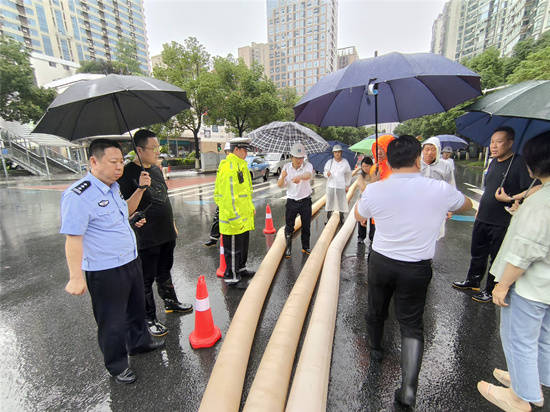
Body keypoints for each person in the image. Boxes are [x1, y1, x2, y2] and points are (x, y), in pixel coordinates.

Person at [355, 135, 473, 408]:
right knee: (411, 324)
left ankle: (375, 350)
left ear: (390, 161)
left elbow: (359, 217)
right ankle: (408, 389)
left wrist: (371, 186)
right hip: (416, 268)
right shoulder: (438, 189)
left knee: (376, 309)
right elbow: (465, 204)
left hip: (382, 261)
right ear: (418, 159)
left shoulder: (376, 189)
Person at [60, 139, 164, 385]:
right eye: (113, 162)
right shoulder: (79, 195)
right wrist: (75, 277)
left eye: (121, 161)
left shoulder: (113, 187)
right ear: (93, 162)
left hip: (130, 260)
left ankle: (140, 343)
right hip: (105, 270)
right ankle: (116, 365)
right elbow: (73, 238)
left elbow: (126, 212)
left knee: (136, 308)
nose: (119, 167)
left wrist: (139, 189)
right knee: (112, 320)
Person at [477, 131, 550, 411]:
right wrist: (520, 209)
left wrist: (502, 284)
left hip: (530, 285)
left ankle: (519, 398)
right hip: (545, 286)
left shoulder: (542, 201)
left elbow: (526, 249)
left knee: (519, 339)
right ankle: (534, 385)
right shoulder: (541, 197)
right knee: (542, 336)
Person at [118, 130, 192, 338]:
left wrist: (173, 223)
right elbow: (125, 209)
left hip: (166, 232)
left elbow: (164, 199)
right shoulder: (126, 174)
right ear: (139, 150)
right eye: (154, 148)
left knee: (165, 271)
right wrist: (139, 188)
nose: (158, 151)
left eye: (158, 147)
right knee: (145, 278)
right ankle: (148, 317)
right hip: (146, 236)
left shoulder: (156, 170)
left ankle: (170, 302)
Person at [452, 126, 534, 303]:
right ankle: (473, 281)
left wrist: (511, 198)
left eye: (499, 142)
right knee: (477, 252)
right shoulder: (493, 162)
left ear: (510, 143)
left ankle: (490, 289)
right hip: (484, 217)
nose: (494, 146)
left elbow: (533, 188)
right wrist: (479, 210)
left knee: (496, 257)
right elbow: (488, 189)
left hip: (502, 220)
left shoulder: (519, 163)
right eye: (492, 142)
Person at [214, 137, 255, 287]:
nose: (246, 153)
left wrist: (250, 208)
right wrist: (234, 217)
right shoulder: (229, 167)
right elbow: (228, 197)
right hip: (233, 218)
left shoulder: (241, 165)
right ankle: (231, 276)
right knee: (233, 249)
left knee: (242, 246)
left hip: (243, 215)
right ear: (236, 149)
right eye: (243, 150)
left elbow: (244, 192)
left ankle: (241, 268)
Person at [277, 142, 313, 258]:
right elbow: (280, 185)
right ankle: (288, 248)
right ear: (291, 157)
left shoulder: (307, 165)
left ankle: (305, 247)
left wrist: (300, 177)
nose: (299, 160)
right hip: (292, 201)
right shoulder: (286, 168)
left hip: (305, 201)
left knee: (306, 225)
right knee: (289, 226)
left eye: (301, 157)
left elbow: (308, 175)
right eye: (296, 157)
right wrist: (282, 177)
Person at [367, 134, 396, 241]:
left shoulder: (398, 168)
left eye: (382, 148)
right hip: (375, 215)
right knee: (373, 241)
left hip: (391, 218)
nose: (379, 152)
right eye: (377, 148)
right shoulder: (374, 168)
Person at [204, 142, 232, 247]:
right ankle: (213, 238)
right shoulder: (223, 164)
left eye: (230, 151)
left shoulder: (238, 165)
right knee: (217, 218)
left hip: (232, 199)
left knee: (230, 221)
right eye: (227, 152)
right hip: (223, 198)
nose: (229, 153)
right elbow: (219, 182)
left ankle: (228, 241)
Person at [323, 145, 351, 223]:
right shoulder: (330, 162)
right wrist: (326, 174)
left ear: (341, 153)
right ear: (333, 153)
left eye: (339, 152)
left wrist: (347, 185)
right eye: (335, 152)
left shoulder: (345, 162)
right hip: (331, 185)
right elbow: (324, 172)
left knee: (341, 202)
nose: (337, 154)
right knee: (329, 202)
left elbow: (348, 174)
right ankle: (328, 217)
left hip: (340, 186)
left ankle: (341, 217)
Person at [351, 156, 374, 243]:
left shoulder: (375, 174)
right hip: (363, 200)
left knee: (373, 220)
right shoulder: (361, 176)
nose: (365, 168)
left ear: (371, 165)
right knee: (361, 219)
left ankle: (372, 237)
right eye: (363, 166)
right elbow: (363, 188)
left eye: (367, 166)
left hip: (373, 200)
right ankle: (361, 237)